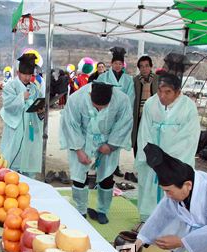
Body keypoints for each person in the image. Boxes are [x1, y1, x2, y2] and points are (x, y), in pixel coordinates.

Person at [60, 82, 133, 224]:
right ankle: (81, 209)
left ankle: (102, 210)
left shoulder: (121, 100)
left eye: (103, 107)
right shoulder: (77, 99)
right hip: (83, 139)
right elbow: (70, 125)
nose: (99, 109)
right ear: (89, 95)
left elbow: (124, 122)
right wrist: (79, 150)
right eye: (96, 106)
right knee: (80, 176)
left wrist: (111, 145)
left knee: (106, 175)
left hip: (109, 138)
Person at [135, 71, 200, 222]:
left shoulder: (188, 107)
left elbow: (189, 137)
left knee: (173, 190)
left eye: (168, 92)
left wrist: (167, 160)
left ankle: (171, 223)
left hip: (175, 159)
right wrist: (151, 155)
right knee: (149, 188)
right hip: (152, 158)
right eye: (160, 91)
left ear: (178, 92)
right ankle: (147, 220)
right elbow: (144, 131)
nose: (162, 96)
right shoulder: (151, 103)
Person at [0, 54, 44, 178]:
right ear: (18, 73)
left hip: (30, 125)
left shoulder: (34, 88)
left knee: (29, 152)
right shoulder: (10, 86)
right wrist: (21, 98)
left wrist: (40, 111)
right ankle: (10, 175)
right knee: (13, 153)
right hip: (16, 126)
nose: (27, 77)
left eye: (30, 75)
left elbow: (39, 103)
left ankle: (29, 178)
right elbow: (7, 105)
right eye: (25, 74)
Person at [97, 47, 135, 178]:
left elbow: (130, 96)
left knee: (116, 139)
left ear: (123, 65)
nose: (118, 66)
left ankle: (115, 166)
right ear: (111, 64)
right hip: (106, 113)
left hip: (120, 115)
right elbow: (97, 93)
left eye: (120, 63)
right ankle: (100, 164)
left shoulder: (128, 79)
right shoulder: (103, 76)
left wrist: (123, 111)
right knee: (103, 140)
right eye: (115, 63)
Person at [133, 55, 158, 157]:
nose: (144, 68)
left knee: (152, 141)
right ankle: (138, 164)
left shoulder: (158, 80)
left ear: (151, 66)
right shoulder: (135, 81)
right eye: (141, 66)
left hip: (154, 117)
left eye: (147, 66)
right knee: (138, 140)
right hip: (138, 116)